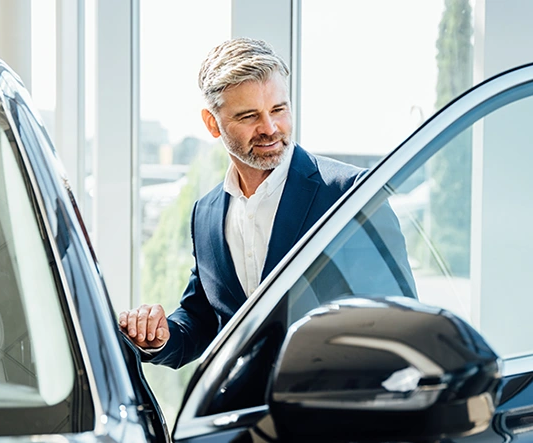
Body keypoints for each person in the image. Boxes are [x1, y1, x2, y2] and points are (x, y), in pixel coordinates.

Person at [119, 38, 414, 369]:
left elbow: (399, 324)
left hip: (337, 414)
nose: (270, 128)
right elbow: (202, 319)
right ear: (212, 123)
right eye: (249, 116)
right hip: (244, 415)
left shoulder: (351, 194)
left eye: (279, 109)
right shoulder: (206, 213)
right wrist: (160, 337)